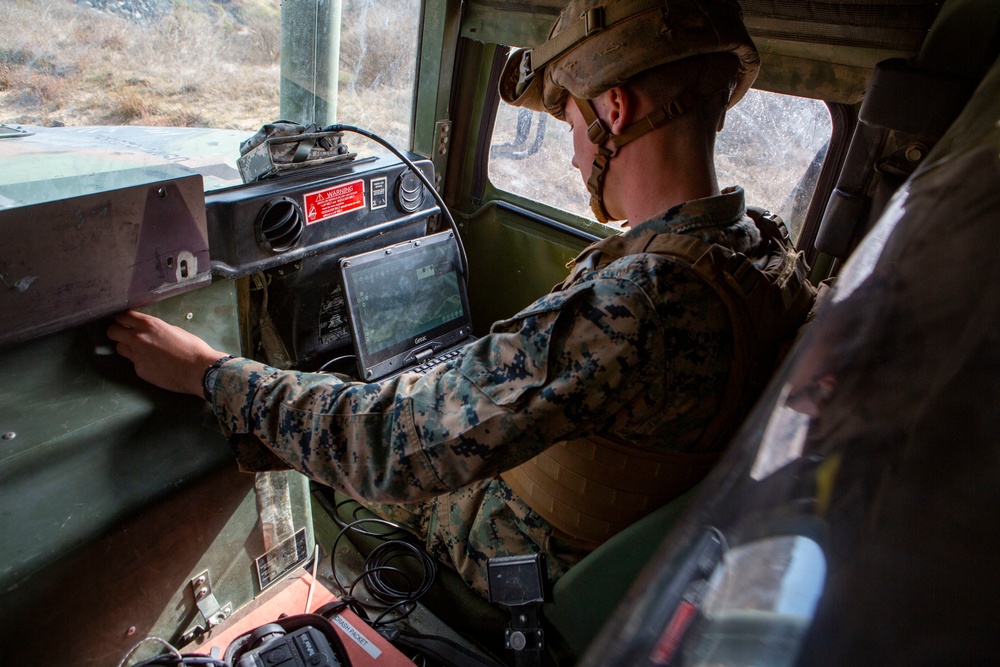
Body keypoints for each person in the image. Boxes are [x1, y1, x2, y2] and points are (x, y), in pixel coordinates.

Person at [108, 0, 810, 597]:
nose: (570, 154)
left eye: (568, 119)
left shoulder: (641, 299)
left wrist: (209, 372)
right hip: (638, 554)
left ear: (614, 111)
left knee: (333, 462)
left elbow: (389, 444)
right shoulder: (761, 254)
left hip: (535, 564)